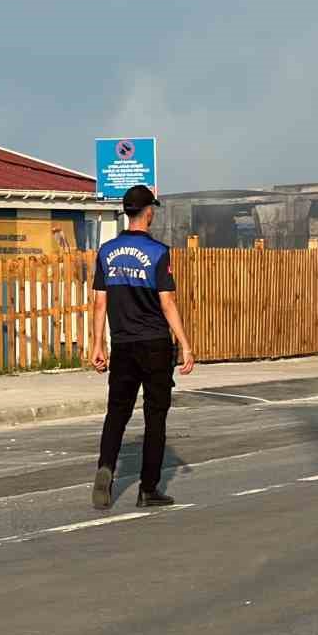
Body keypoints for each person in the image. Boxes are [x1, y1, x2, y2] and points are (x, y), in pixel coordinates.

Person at [90, 185, 196, 510]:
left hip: (121, 344)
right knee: (155, 417)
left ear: (126, 212)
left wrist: (97, 344)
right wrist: (186, 344)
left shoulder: (106, 252)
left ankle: (106, 467)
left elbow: (98, 302)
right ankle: (148, 489)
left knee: (117, 413)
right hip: (154, 345)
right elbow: (167, 302)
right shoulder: (158, 252)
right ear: (148, 212)